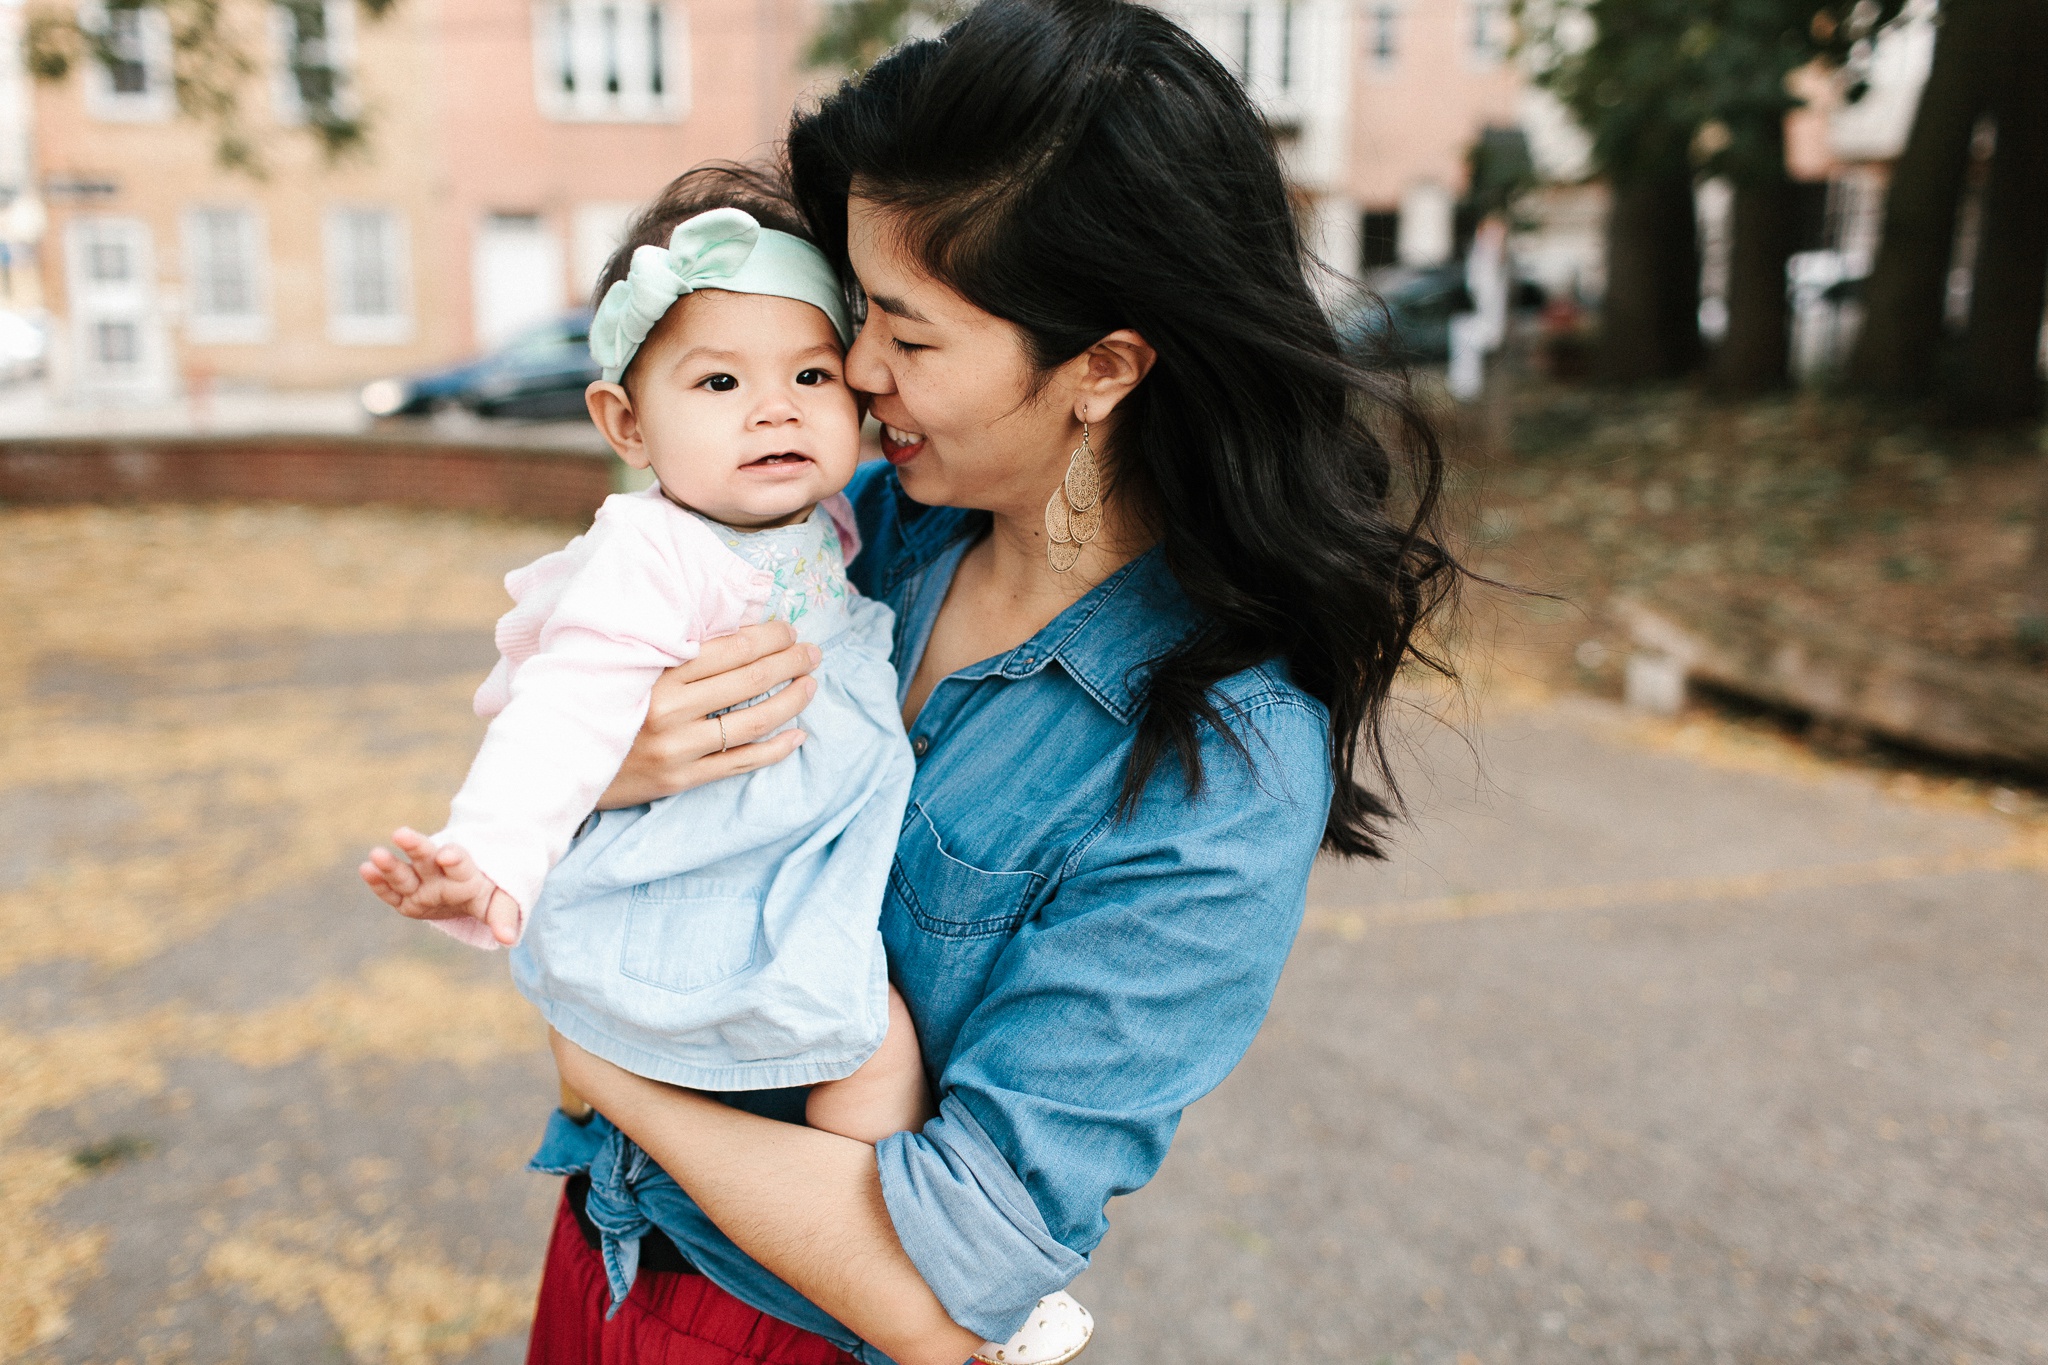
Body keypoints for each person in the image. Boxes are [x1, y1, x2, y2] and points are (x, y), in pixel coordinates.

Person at [525, 2, 1462, 1363]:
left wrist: (609, 1067)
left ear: (1103, 369)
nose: (853, 370)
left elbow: (938, 1283)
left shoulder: (1218, 763)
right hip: (604, 1249)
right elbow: (566, 728)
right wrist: (609, 767)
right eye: (859, 313)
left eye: (908, 334)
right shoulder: (861, 534)